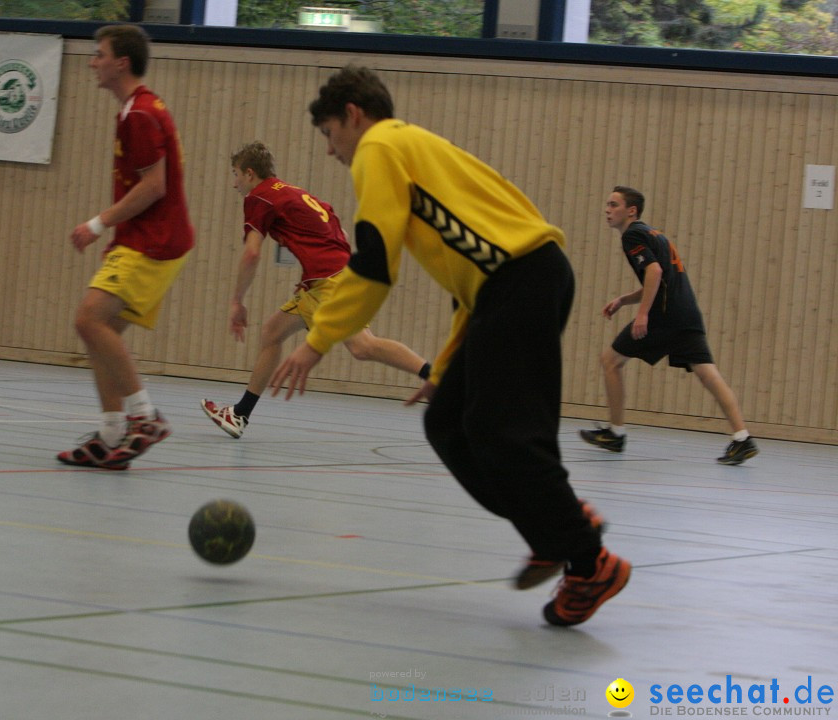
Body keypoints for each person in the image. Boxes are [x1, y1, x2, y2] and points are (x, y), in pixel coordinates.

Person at [269, 65, 630, 627]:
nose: (332, 151)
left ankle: (588, 560)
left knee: (503, 430)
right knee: (448, 422)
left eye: (329, 135)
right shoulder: (414, 148)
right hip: (516, 282)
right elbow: (472, 280)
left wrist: (318, 341)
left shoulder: (380, 147)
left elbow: (372, 263)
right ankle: (554, 524)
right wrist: (450, 363)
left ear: (353, 116)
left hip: (522, 279)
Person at [200, 141, 430, 439]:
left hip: (328, 280)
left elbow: (252, 254)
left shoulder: (260, 198)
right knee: (272, 332)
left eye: (235, 175)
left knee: (363, 347)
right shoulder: (296, 192)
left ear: (249, 173)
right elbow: (341, 233)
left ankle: (435, 375)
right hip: (328, 277)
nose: (234, 184)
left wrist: (237, 301)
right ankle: (240, 414)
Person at [57, 24, 193, 471]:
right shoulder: (136, 108)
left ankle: (144, 417)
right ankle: (113, 434)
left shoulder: (139, 113)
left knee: (89, 319)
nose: (93, 62)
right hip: (141, 239)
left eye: (99, 55)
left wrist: (98, 224)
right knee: (100, 332)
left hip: (155, 241)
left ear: (122, 62)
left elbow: (154, 187)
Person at [580, 186, 759, 465]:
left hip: (664, 317)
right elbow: (658, 280)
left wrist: (642, 315)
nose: (607, 209)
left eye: (614, 205)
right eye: (607, 204)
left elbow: (654, 272)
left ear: (631, 211)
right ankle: (742, 438)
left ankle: (615, 434)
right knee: (708, 375)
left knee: (611, 361)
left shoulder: (632, 235)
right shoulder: (654, 234)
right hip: (686, 314)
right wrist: (623, 300)